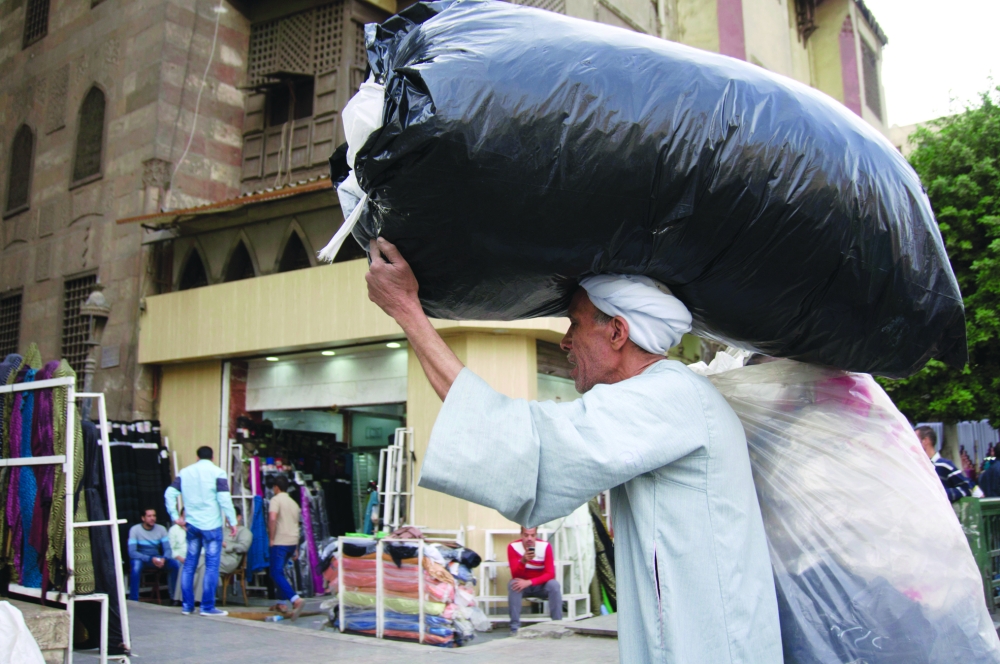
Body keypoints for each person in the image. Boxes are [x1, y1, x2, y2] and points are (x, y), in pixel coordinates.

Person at [364, 237, 782, 662]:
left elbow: (528, 451)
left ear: (617, 331)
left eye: (575, 324)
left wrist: (408, 311)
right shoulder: (668, 394)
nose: (566, 342)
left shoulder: (668, 396)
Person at [164, 446, 237, 617]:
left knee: (189, 565)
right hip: (212, 526)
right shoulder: (218, 473)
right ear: (212, 458)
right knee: (211, 566)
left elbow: (169, 493)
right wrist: (232, 521)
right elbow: (224, 499)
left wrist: (175, 516)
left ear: (197, 457)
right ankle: (207, 606)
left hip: (192, 525)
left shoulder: (185, 472)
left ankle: (187, 606)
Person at [507, 526, 561, 634]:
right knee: (513, 584)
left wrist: (530, 582)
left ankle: (558, 624)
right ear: (521, 535)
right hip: (522, 586)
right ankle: (514, 627)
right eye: (526, 535)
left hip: (540, 586)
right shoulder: (512, 547)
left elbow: (550, 574)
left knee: (554, 585)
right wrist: (523, 561)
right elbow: (515, 575)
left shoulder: (545, 546)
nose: (529, 539)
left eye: (532, 535)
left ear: (536, 535)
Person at [268, 475, 304, 618]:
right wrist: (295, 547)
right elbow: (296, 525)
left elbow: (272, 518)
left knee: (275, 572)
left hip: (280, 541)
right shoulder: (294, 503)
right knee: (280, 572)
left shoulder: (275, 500)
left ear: (276, 487)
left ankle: (295, 599)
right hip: (291, 542)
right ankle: (281, 602)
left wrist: (271, 538)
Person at [127, 508, 180, 602]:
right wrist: (150, 559)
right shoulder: (135, 530)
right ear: (143, 518)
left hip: (156, 558)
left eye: (154, 516)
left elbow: (168, 549)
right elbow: (132, 552)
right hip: (142, 559)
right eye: (149, 516)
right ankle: (133, 599)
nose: (152, 518)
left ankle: (174, 598)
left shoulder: (161, 529)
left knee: (175, 564)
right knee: (136, 566)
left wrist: (164, 558)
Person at [915, 426, 973, 503]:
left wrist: (941, 493)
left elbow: (966, 488)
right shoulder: (916, 467)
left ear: (925, 441)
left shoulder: (944, 465)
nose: (911, 444)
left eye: (915, 440)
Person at [168, 508, 205, 607]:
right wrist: (180, 558)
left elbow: (203, 548)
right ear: (180, 517)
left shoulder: (198, 529)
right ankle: (178, 598)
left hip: (197, 557)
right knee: (186, 565)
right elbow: (171, 549)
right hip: (181, 557)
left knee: (204, 567)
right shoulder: (174, 530)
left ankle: (197, 599)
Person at [219, 506, 253, 576]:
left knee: (205, 564)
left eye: (231, 517)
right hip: (215, 555)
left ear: (239, 517)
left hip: (228, 559)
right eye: (227, 517)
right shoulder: (223, 530)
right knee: (196, 564)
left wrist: (227, 545)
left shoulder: (243, 531)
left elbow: (244, 547)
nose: (228, 520)